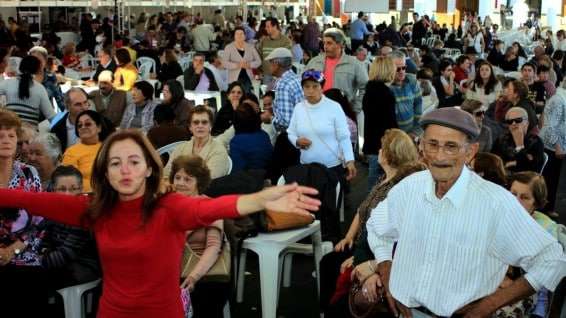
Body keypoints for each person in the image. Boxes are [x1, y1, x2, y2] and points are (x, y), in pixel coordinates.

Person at [0, 128, 321, 318]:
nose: (125, 170)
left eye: (134, 161)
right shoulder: (95, 208)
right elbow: (35, 200)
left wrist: (261, 199)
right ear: (106, 174)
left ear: (150, 169)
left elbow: (216, 207)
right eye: (115, 163)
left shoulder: (170, 207)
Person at [366, 107, 566, 318]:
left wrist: (487, 306)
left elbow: (552, 259)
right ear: (422, 147)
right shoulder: (409, 188)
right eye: (432, 144)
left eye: (451, 146)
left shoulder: (495, 203)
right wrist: (388, 275)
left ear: (470, 152)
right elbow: (377, 227)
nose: (439, 156)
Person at [322, 130, 423, 317]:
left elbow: (394, 235)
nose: (379, 151)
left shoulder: (398, 187)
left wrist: (361, 258)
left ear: (389, 154)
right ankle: (328, 308)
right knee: (330, 259)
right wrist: (348, 237)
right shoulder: (383, 179)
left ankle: (333, 309)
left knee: (332, 263)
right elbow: (362, 209)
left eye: (382, 148)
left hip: (375, 250)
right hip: (365, 244)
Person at [168, 155, 229, 317]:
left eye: (188, 179)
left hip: (204, 272)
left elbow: (214, 247)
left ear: (198, 183)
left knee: (204, 295)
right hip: (171, 270)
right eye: (177, 177)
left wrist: (194, 276)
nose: (180, 183)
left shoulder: (210, 206)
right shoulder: (166, 205)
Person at [0, 108, 46, 316]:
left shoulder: (29, 173)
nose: (6, 140)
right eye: (0, 135)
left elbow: (40, 223)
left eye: (11, 135)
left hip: (23, 256)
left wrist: (13, 250)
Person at [508, 171, 563, 318]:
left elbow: (542, 279)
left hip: (525, 291)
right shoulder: (500, 216)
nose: (516, 201)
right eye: (513, 194)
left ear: (537, 202)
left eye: (524, 197)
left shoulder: (545, 229)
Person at [287, 69, 356, 183]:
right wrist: (297, 141)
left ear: (322, 87)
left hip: (332, 167)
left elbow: (344, 136)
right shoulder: (298, 108)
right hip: (306, 167)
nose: (310, 91)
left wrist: (349, 160)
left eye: (315, 86)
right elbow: (291, 132)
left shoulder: (334, 107)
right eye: (307, 87)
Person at [41, 165, 100, 289]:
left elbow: (64, 255)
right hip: (58, 265)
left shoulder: (85, 215)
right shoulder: (52, 210)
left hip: (82, 269)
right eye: (62, 189)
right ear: (53, 190)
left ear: (81, 189)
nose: (68, 194)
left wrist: (37, 259)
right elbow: (43, 241)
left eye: (73, 189)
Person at [305, 28, 368, 130]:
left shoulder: (354, 64)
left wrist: (356, 106)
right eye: (324, 43)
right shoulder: (314, 62)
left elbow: (365, 86)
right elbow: (303, 84)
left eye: (329, 43)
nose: (325, 46)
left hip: (343, 113)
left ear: (341, 44)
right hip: (316, 111)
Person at [164, 105, 230, 179]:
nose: (200, 126)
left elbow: (208, 179)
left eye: (204, 122)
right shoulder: (180, 148)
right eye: (196, 122)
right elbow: (166, 174)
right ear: (190, 127)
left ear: (210, 126)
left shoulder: (219, 150)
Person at [362, 56, 398, 190]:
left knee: (373, 175)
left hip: (371, 141)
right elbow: (390, 123)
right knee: (381, 178)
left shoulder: (369, 90)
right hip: (383, 143)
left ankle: (371, 204)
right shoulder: (386, 93)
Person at [62, 110, 110, 192]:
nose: (83, 127)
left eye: (88, 124)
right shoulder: (71, 152)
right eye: (79, 125)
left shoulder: (108, 148)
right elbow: (71, 181)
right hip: (86, 196)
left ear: (99, 128)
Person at [0, 55, 55, 126]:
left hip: (10, 130)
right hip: (31, 134)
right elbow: (51, 116)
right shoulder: (40, 89)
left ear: (20, 67)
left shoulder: (8, 83)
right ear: (38, 70)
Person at [539, 80, 566, 212]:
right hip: (551, 146)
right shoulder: (558, 100)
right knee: (549, 180)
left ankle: (548, 208)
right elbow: (549, 126)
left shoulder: (562, 98)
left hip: (557, 145)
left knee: (553, 180)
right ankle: (544, 209)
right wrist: (558, 146)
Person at [492, 107, 545, 173]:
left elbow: (531, 170)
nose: (514, 124)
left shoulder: (536, 142)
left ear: (527, 123)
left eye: (518, 120)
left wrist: (519, 145)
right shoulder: (502, 139)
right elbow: (493, 161)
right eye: (510, 121)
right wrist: (514, 163)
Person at [229, 102, 273, 172]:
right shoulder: (264, 135)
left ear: (235, 122)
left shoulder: (236, 142)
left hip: (250, 180)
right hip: (268, 177)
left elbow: (237, 172)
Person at [388, 50, 422, 138]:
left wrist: (414, 133)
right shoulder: (385, 88)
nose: (402, 71)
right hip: (392, 137)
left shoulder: (412, 80)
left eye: (404, 67)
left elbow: (418, 108)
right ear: (389, 68)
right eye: (397, 69)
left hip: (411, 134)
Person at [221, 27, 261, 94]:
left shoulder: (250, 47)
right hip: (233, 79)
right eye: (237, 34)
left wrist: (249, 65)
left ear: (245, 36)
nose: (239, 36)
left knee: (246, 96)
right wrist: (237, 65)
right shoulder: (229, 47)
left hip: (247, 78)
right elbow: (224, 63)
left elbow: (259, 61)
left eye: (241, 34)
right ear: (234, 36)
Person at [51, 87, 91, 152]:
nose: (84, 108)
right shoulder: (57, 129)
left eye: (85, 102)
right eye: (78, 104)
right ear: (67, 107)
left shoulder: (101, 123)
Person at [29, 46, 65, 112]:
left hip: (46, 118)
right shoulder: (23, 78)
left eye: (39, 60)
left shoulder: (51, 78)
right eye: (33, 60)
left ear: (45, 61)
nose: (36, 63)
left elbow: (60, 101)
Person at [258, 17, 292, 85]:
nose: (265, 28)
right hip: (266, 75)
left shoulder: (285, 41)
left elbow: (287, 60)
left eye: (268, 26)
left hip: (280, 76)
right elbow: (259, 56)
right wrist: (259, 71)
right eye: (265, 26)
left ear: (275, 26)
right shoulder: (264, 41)